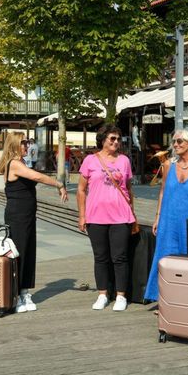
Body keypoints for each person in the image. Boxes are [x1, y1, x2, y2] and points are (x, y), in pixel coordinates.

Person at [0, 132, 68, 313]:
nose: (27, 145)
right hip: (17, 215)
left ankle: (24, 291)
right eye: (24, 142)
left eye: (28, 142)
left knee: (28, 251)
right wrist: (59, 184)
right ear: (14, 144)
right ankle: (16, 294)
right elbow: (37, 177)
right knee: (19, 252)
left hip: (27, 215)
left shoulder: (20, 162)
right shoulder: (13, 164)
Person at [144, 129, 188, 304]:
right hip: (169, 219)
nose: (175, 145)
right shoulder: (168, 165)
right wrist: (158, 217)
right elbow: (162, 191)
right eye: (174, 141)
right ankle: (165, 300)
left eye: (180, 141)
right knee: (166, 257)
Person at [77, 124, 135, 312]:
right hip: (96, 216)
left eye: (118, 139)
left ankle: (120, 295)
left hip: (120, 215)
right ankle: (102, 294)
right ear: (103, 139)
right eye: (112, 138)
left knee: (120, 257)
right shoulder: (90, 161)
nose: (116, 142)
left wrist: (132, 213)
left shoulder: (124, 160)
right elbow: (81, 189)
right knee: (100, 257)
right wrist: (82, 215)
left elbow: (128, 188)